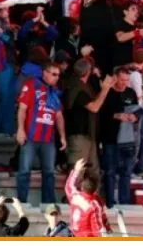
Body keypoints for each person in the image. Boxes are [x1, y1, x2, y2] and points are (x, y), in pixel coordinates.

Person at [16, 63, 66, 205]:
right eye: (53, 74)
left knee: (49, 172)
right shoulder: (32, 85)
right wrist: (20, 129)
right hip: (31, 136)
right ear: (45, 73)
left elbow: (59, 116)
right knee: (24, 170)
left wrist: (62, 136)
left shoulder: (55, 91)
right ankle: (22, 202)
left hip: (48, 138)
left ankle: (48, 203)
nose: (56, 78)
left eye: (58, 75)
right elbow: (22, 109)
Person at [100, 66, 140, 208]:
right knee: (110, 171)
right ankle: (109, 202)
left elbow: (138, 112)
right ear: (116, 78)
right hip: (110, 138)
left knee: (126, 172)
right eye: (122, 80)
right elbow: (100, 113)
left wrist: (134, 116)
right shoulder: (108, 93)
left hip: (127, 138)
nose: (125, 83)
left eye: (127, 80)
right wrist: (116, 115)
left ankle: (124, 202)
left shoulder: (131, 93)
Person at [65, 58, 114, 168]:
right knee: (78, 172)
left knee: (92, 172)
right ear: (88, 71)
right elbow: (94, 107)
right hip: (79, 136)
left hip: (88, 135)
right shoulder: (77, 88)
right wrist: (105, 90)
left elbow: (94, 101)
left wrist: (104, 89)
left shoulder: (84, 86)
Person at [64, 158, 110, 237]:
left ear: (81, 187)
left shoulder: (74, 197)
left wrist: (76, 170)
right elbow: (97, 228)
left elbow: (69, 186)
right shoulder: (94, 205)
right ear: (96, 188)